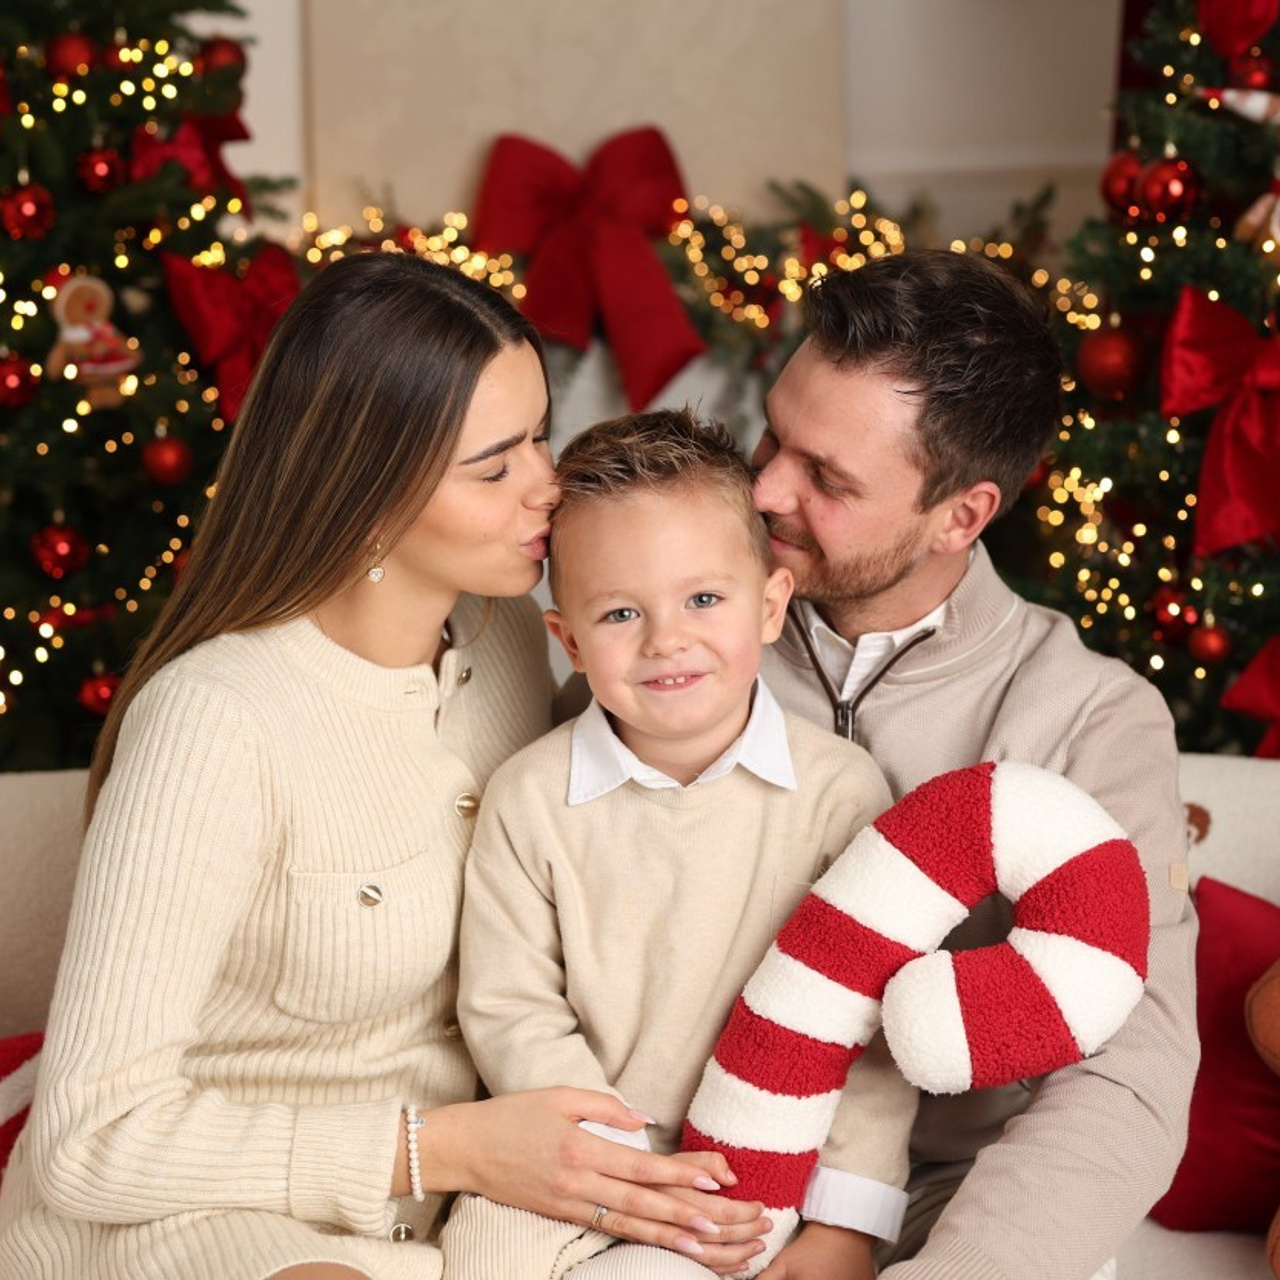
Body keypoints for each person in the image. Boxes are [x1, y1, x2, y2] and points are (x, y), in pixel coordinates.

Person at [0, 254, 766, 1280]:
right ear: (364, 491)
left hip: (453, 1221)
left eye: (539, 434)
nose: (547, 487)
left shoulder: (503, 634)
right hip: (188, 1215)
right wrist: (439, 1144)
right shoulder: (214, 722)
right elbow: (89, 1142)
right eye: (493, 468)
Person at [752, 248, 1198, 1280]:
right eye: (773, 434)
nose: (766, 487)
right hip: (702, 1176)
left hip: (942, 1208)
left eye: (825, 478)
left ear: (960, 515)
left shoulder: (1095, 718)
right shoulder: (680, 624)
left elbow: (1128, 1073)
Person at [444, 409, 914, 1280]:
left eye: (704, 598)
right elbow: (511, 1009)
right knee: (480, 1257)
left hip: (764, 1176)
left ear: (770, 605)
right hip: (577, 1162)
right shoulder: (531, 799)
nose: (667, 640)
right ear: (571, 642)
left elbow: (874, 1030)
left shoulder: (840, 793)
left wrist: (847, 1223)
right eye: (621, 612)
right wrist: (618, 1163)